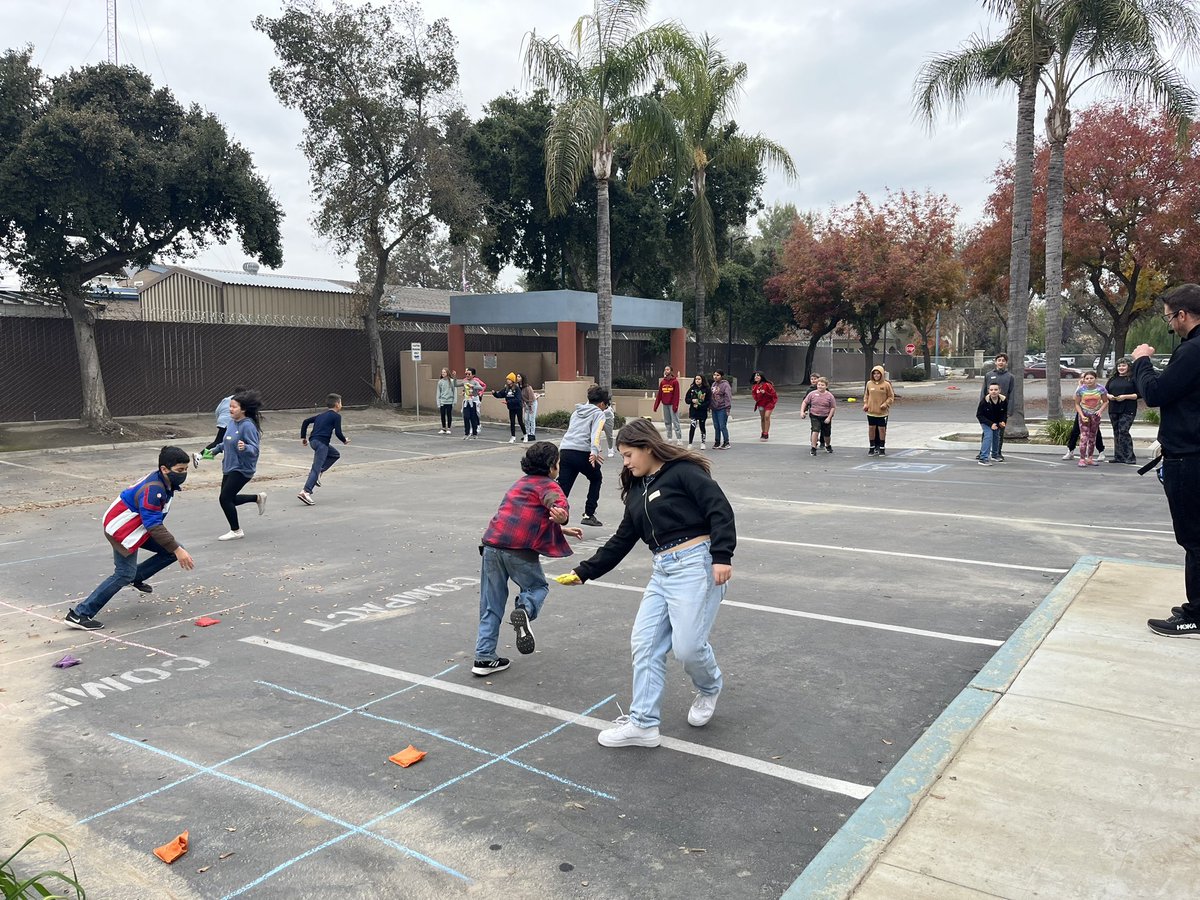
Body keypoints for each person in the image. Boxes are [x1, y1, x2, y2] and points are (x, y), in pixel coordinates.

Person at [556, 418, 736, 748]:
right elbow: (622, 539)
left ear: (648, 447)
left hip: (695, 565)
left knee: (687, 648)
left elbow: (719, 510)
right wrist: (585, 571)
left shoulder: (683, 472)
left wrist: (722, 555)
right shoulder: (638, 490)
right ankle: (643, 724)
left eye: (628, 455)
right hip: (662, 571)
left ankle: (709, 687)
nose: (625, 462)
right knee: (645, 644)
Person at [472, 442, 584, 675]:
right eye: (558, 463)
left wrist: (563, 529)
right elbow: (556, 505)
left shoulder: (519, 484)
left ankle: (484, 657)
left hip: (492, 545)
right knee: (537, 587)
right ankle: (524, 609)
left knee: (490, 603)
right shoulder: (549, 485)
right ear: (552, 466)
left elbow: (521, 516)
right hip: (519, 550)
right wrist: (562, 518)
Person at [65, 446, 197, 631]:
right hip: (123, 530)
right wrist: (177, 549)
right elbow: (154, 525)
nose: (183, 474)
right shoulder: (154, 489)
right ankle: (80, 614)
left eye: (186, 469)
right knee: (124, 573)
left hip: (136, 527)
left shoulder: (163, 481)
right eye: (180, 470)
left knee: (171, 551)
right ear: (164, 469)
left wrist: (175, 549)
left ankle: (137, 577)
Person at [1132, 283, 1200, 638]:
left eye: (1169, 318)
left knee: (1194, 539)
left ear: (1183, 315)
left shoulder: (1192, 351)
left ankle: (1196, 614)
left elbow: (1156, 393)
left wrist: (1142, 361)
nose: (1170, 324)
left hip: (1189, 458)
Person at [557, 385, 611, 527]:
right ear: (601, 403)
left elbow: (572, 431)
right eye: (606, 406)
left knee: (563, 486)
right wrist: (594, 451)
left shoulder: (576, 412)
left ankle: (552, 513)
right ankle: (588, 514)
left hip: (566, 450)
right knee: (596, 478)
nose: (605, 408)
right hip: (582, 452)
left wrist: (594, 451)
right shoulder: (599, 413)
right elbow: (596, 433)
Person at [218, 390, 266, 541]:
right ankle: (257, 498)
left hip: (242, 468)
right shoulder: (232, 423)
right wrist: (214, 450)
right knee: (228, 499)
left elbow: (255, 449)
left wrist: (245, 447)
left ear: (243, 409)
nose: (230, 409)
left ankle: (236, 530)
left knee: (225, 499)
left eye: (234, 407)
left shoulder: (248, 426)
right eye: (230, 406)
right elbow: (227, 442)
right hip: (229, 466)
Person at [297, 393, 351, 506]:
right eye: (341, 403)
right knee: (315, 469)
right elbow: (338, 432)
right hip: (322, 444)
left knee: (335, 454)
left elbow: (305, 421)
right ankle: (305, 492)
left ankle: (320, 472)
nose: (341, 405)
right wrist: (344, 440)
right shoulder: (336, 416)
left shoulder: (321, 415)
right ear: (337, 404)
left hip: (314, 442)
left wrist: (303, 437)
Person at [192, 386, 244, 468]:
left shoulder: (226, 399)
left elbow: (217, 410)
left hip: (222, 421)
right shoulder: (240, 400)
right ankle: (199, 455)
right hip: (229, 422)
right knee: (220, 442)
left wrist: (220, 420)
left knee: (226, 441)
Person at [980, 354, 1015, 461]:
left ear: (1006, 363)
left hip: (1001, 410)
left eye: (1003, 360)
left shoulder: (1010, 377)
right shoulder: (989, 375)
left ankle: (997, 453)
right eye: (999, 360)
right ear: (995, 362)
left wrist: (1009, 411)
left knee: (999, 433)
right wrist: (982, 407)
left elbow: (1012, 394)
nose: (1001, 362)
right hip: (989, 409)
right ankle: (982, 453)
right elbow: (983, 392)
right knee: (987, 432)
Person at [1105, 357, 1139, 464]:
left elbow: (1139, 395)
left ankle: (1130, 457)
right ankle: (1118, 456)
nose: (1121, 368)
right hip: (1114, 408)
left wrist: (1125, 396)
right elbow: (1104, 391)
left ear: (1128, 366)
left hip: (1128, 408)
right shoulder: (1112, 379)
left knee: (1123, 431)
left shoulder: (1133, 379)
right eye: (1119, 366)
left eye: (1124, 365)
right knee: (1116, 432)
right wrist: (1109, 396)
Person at [1073, 371, 1108, 467]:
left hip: (1095, 415)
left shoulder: (1101, 389)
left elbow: (1105, 401)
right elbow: (1077, 404)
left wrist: (1100, 411)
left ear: (1096, 379)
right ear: (1084, 380)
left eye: (1091, 378)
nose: (1089, 380)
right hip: (1084, 414)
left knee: (1093, 437)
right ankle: (1082, 459)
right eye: (1087, 378)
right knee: (1084, 437)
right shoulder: (1081, 390)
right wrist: (1081, 415)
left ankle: (1090, 458)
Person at [863, 365, 895, 455]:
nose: (876, 375)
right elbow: (866, 395)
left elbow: (891, 397)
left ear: (881, 374)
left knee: (882, 429)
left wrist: (886, 404)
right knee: (871, 429)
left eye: (878, 373)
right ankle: (872, 447)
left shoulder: (886, 384)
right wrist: (866, 404)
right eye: (874, 374)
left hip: (882, 413)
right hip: (871, 411)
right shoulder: (869, 383)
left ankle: (881, 447)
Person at [801, 377, 836, 455]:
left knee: (827, 433)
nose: (820, 386)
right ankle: (813, 447)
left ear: (826, 386)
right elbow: (805, 402)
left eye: (822, 385)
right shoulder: (812, 394)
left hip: (825, 416)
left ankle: (828, 445)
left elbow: (833, 407)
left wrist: (829, 417)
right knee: (815, 430)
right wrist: (802, 412)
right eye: (819, 385)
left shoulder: (829, 396)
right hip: (814, 415)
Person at [975, 383, 1008, 466]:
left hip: (996, 421)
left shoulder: (1003, 400)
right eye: (991, 390)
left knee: (996, 436)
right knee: (988, 435)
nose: (993, 391)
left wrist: (1003, 421)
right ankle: (983, 458)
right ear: (988, 391)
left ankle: (995, 455)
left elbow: (1004, 413)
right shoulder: (984, 401)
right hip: (986, 421)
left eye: (996, 390)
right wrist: (990, 424)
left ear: (999, 391)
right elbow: (979, 415)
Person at [653, 365, 683, 442]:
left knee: (675, 421)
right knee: (667, 421)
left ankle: (679, 438)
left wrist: (675, 405)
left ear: (671, 371)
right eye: (665, 369)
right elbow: (659, 394)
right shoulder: (663, 382)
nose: (666, 371)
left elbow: (676, 395)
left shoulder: (675, 382)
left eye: (668, 369)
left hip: (672, 404)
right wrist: (656, 406)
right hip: (665, 404)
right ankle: (669, 437)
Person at [494, 373, 526, 444]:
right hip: (511, 408)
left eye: (509, 379)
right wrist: (495, 393)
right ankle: (513, 437)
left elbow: (518, 399)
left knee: (520, 422)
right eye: (507, 379)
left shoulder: (517, 389)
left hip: (518, 407)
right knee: (512, 422)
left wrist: (508, 402)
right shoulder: (506, 389)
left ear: (512, 380)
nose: (507, 381)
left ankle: (525, 435)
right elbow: (500, 394)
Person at [684, 373, 710, 450]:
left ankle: (703, 442)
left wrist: (700, 406)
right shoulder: (692, 389)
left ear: (702, 380)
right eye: (696, 379)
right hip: (693, 411)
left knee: (702, 426)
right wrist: (692, 400)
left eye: (699, 379)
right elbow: (687, 399)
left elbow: (708, 401)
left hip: (702, 411)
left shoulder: (706, 389)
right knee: (692, 427)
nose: (697, 380)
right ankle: (690, 443)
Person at [750, 371, 778, 441]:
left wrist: (765, 393)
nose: (756, 377)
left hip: (769, 403)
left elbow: (773, 395)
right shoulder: (754, 386)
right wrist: (757, 398)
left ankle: (766, 433)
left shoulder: (767, 385)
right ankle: (763, 432)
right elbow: (754, 395)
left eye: (758, 376)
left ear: (761, 377)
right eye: (755, 376)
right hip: (760, 404)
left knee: (767, 416)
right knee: (762, 418)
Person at [710, 370, 733, 449]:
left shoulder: (725, 385)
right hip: (714, 408)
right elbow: (711, 396)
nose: (715, 377)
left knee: (722, 426)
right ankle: (717, 441)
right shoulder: (713, 384)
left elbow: (728, 397)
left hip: (722, 408)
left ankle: (726, 442)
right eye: (714, 375)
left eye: (718, 375)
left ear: (721, 376)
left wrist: (728, 408)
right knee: (716, 426)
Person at [461, 368, 486, 440]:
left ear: (473, 375)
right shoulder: (465, 380)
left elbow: (482, 386)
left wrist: (480, 393)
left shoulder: (476, 381)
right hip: (467, 400)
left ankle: (475, 431)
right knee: (466, 416)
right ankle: (466, 433)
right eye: (466, 373)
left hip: (474, 400)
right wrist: (463, 391)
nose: (467, 375)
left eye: (469, 374)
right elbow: (464, 388)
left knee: (473, 417)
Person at [518, 373, 540, 443]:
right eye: (517, 376)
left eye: (519, 377)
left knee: (531, 419)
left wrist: (530, 407)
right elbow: (521, 397)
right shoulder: (519, 387)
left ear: (522, 378)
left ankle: (532, 434)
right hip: (526, 404)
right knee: (526, 419)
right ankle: (527, 433)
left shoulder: (528, 387)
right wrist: (523, 405)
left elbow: (531, 397)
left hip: (532, 403)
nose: (517, 378)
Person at [436, 368, 458, 435]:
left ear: (447, 373)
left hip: (449, 401)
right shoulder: (440, 382)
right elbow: (438, 392)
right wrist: (438, 402)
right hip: (442, 401)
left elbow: (455, 391)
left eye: (444, 372)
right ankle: (443, 428)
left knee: (449, 415)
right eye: (442, 372)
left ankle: (448, 428)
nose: (443, 373)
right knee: (442, 415)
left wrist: (454, 401)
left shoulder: (451, 381)